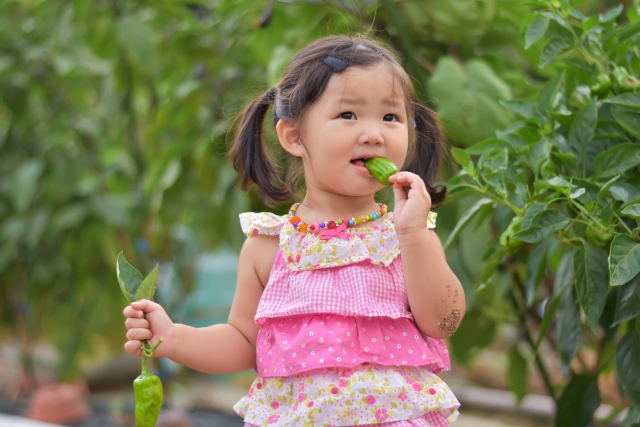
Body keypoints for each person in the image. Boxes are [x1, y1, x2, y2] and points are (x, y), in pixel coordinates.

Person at [123, 35, 466, 426]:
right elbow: (244, 344)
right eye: (348, 115)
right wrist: (176, 338)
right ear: (293, 136)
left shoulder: (406, 235)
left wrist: (414, 237)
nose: (374, 134)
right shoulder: (269, 246)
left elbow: (446, 322)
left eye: (391, 117)